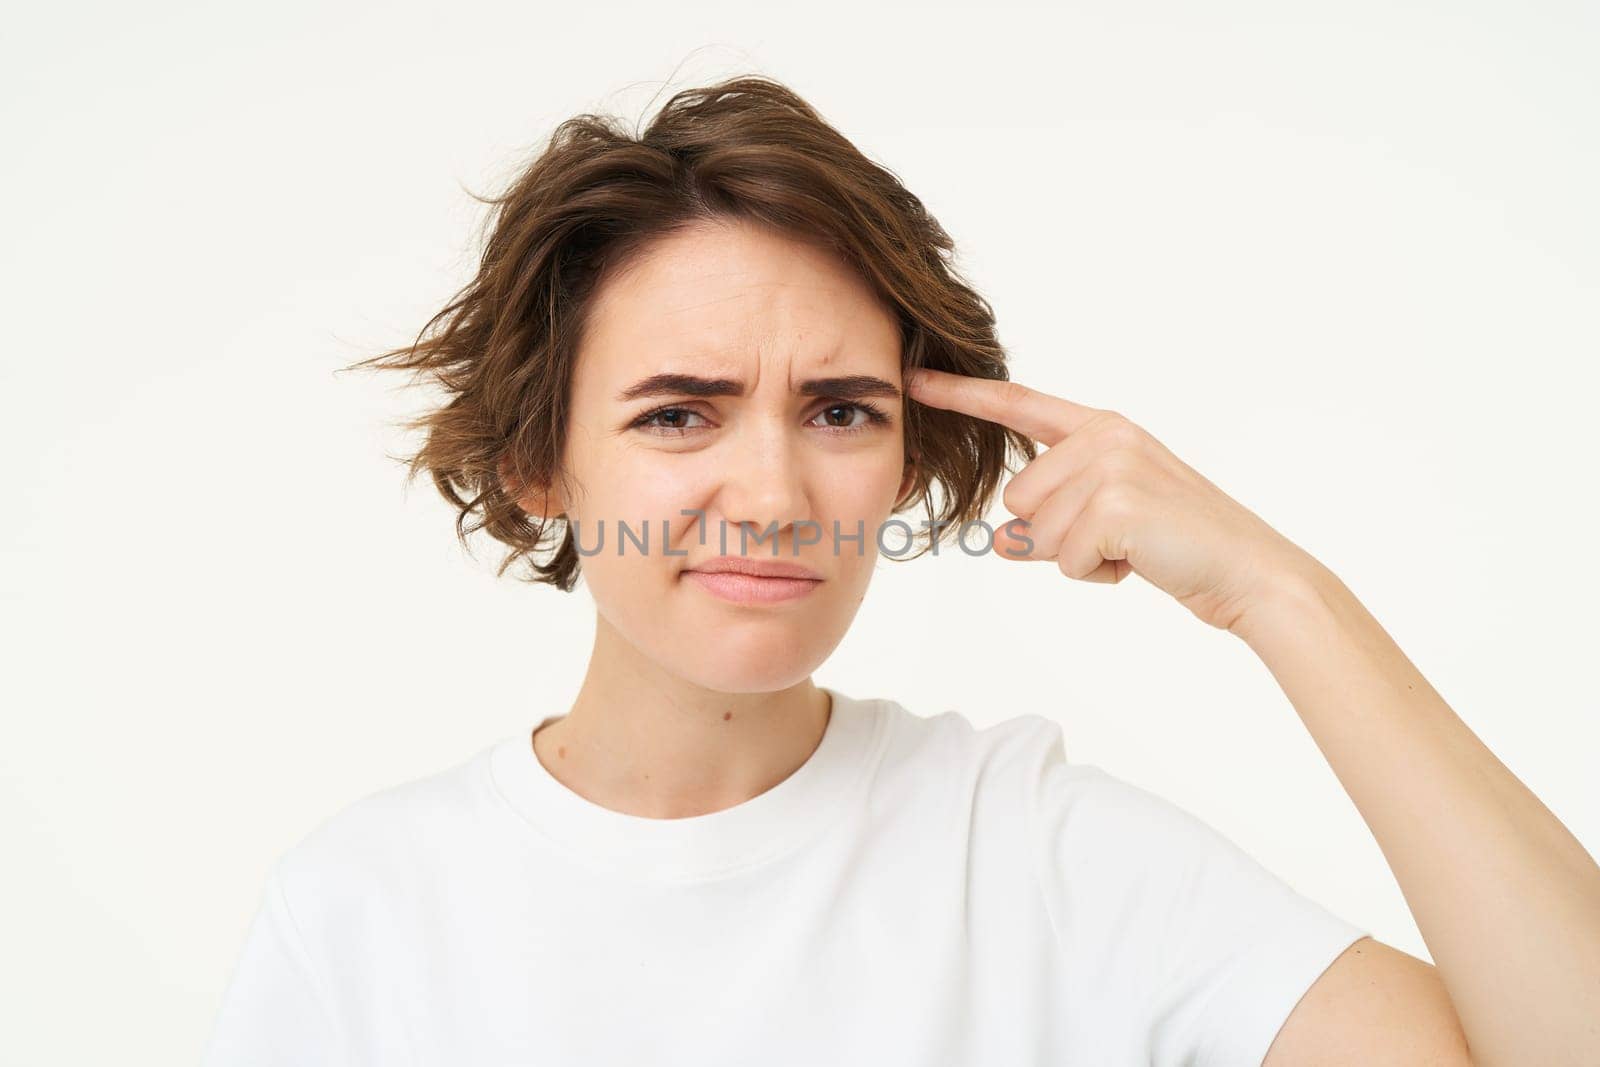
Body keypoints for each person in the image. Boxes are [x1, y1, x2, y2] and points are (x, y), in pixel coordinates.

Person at [200, 75, 1600, 1066]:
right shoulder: (364, 915)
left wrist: (1277, 595)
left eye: (841, 411)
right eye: (679, 411)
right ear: (538, 467)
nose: (774, 495)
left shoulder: (1042, 855)